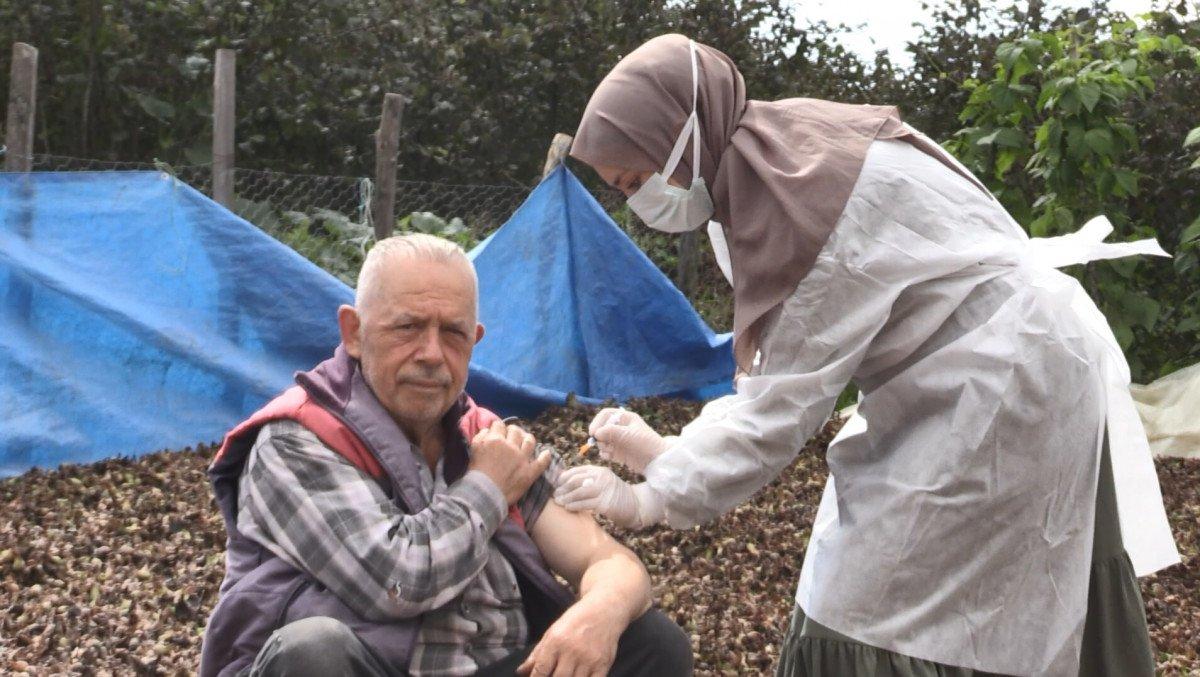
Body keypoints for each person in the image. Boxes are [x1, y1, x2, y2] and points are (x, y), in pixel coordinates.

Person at [554, 33, 1179, 676]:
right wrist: (674, 453)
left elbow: (780, 407)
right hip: (987, 365)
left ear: (681, 134)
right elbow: (774, 370)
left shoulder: (802, 201)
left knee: (867, 603)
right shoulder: (776, 155)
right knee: (965, 594)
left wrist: (653, 499)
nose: (641, 204)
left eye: (638, 181)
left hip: (1002, 385)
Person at [200, 234, 693, 677]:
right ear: (353, 332)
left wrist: (600, 613)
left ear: (474, 342)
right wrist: (487, 488)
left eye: (452, 333)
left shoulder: (493, 441)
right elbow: (397, 582)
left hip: (495, 665)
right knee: (313, 652)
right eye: (408, 327)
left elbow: (606, 559)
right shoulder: (296, 441)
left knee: (652, 643)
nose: (432, 353)